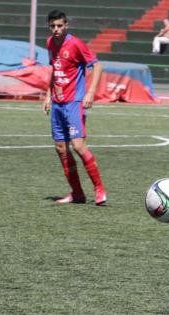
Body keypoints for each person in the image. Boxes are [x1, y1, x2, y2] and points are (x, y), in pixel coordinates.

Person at [42, 10, 107, 205]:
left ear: (66, 25)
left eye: (59, 26)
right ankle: (77, 194)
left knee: (78, 145)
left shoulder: (76, 43)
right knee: (61, 148)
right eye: (52, 26)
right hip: (57, 103)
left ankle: (99, 189)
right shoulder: (50, 43)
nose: (56, 29)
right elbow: (54, 69)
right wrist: (47, 95)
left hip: (74, 102)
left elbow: (97, 66)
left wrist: (90, 92)